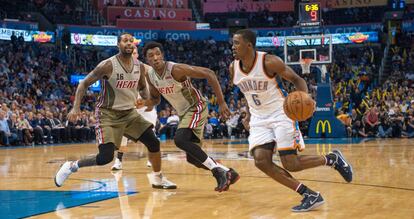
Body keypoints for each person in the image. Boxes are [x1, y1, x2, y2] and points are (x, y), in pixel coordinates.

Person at [229, 29, 353, 212]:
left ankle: (331, 159)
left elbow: (297, 79)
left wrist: (305, 101)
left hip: (281, 113)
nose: (233, 47)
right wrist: (248, 113)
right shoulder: (233, 68)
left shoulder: (269, 62)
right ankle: (309, 194)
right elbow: (249, 92)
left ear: (249, 45)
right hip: (258, 118)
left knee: (291, 164)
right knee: (261, 161)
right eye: (233, 43)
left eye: (237, 43)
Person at [54, 33, 176, 189]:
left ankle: (158, 178)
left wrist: (147, 98)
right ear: (118, 44)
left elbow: (143, 89)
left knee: (153, 142)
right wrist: (76, 107)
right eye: (125, 41)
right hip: (108, 114)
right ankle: (71, 166)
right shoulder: (108, 65)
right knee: (105, 157)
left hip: (129, 114)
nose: (129, 43)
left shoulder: (139, 66)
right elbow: (83, 84)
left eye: (131, 41)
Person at [141, 41, 239, 192]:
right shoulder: (151, 76)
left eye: (158, 54)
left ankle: (218, 172)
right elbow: (156, 99)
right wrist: (144, 102)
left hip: (196, 106)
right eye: (151, 56)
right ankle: (228, 172)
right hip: (184, 113)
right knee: (193, 158)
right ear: (147, 60)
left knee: (180, 140)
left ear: (163, 55)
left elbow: (209, 73)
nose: (155, 58)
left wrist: (221, 102)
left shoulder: (176, 69)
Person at [111, 45, 158, 171]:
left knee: (151, 134)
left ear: (137, 55)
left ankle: (151, 159)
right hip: (129, 107)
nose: (133, 54)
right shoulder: (119, 70)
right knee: (122, 136)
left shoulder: (145, 68)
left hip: (145, 107)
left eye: (135, 53)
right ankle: (118, 161)